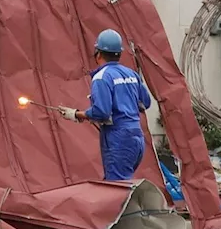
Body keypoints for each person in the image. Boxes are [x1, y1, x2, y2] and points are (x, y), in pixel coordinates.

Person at [58, 29, 152, 181]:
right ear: (119, 53)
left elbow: (102, 112)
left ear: (98, 53)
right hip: (136, 138)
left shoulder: (102, 77)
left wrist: (76, 114)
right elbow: (145, 103)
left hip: (118, 140)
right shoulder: (131, 74)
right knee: (123, 183)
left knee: (117, 188)